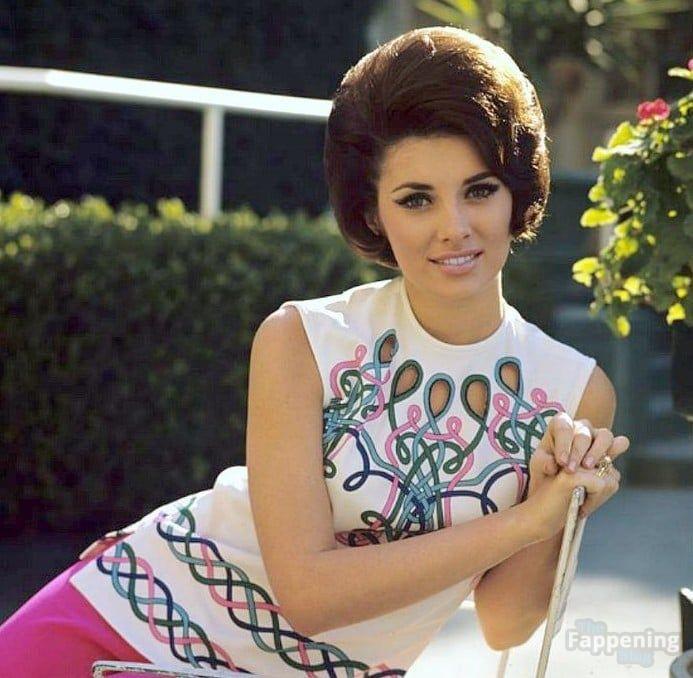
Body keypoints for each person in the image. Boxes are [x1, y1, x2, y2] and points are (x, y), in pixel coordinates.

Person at [0, 25, 630, 677]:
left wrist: (556, 511)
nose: (454, 227)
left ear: (517, 191)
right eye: (416, 199)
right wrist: (524, 523)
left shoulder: (574, 392)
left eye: (479, 190)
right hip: (126, 623)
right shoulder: (303, 339)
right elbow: (309, 596)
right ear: (374, 213)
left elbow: (505, 624)